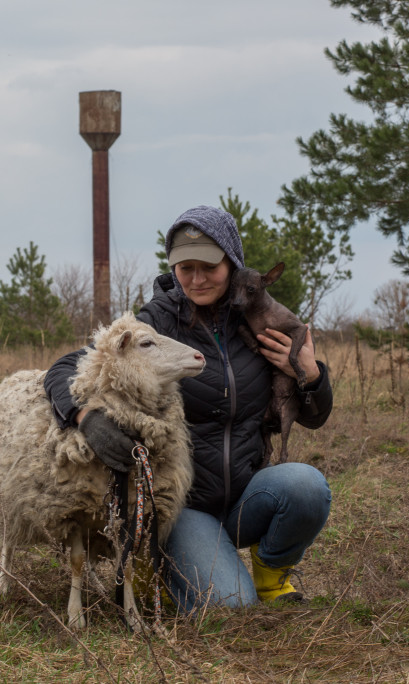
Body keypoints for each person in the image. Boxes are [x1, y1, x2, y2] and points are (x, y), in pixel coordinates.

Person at [43, 205, 333, 611]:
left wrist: (310, 374)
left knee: (306, 486)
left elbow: (316, 418)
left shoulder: (261, 318)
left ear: (232, 262)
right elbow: (64, 369)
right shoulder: (158, 323)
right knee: (230, 607)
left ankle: (271, 573)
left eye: (208, 267)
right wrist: (83, 416)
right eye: (185, 267)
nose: (196, 279)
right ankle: (162, 565)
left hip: (245, 494)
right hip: (184, 505)